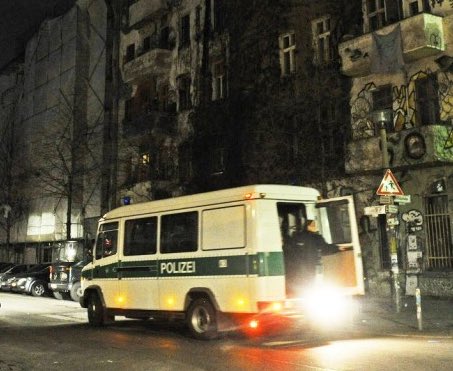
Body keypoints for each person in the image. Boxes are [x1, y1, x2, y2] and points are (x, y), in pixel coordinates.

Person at [284, 219, 343, 294]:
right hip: (309, 265)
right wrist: (337, 248)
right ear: (309, 226)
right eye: (313, 225)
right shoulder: (316, 237)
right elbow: (325, 248)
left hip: (296, 267)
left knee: (298, 285)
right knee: (309, 284)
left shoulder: (296, 236)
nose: (315, 227)